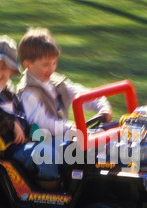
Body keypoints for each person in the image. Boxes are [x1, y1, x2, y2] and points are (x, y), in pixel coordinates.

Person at [15, 27, 112, 188]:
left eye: (54, 63)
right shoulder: (28, 92)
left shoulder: (56, 82)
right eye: (46, 64)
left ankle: (92, 186)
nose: (52, 68)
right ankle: (50, 195)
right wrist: (68, 128)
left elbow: (81, 94)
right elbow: (41, 121)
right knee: (49, 155)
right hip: (37, 140)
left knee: (100, 143)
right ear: (28, 65)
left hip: (60, 137)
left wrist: (102, 106)